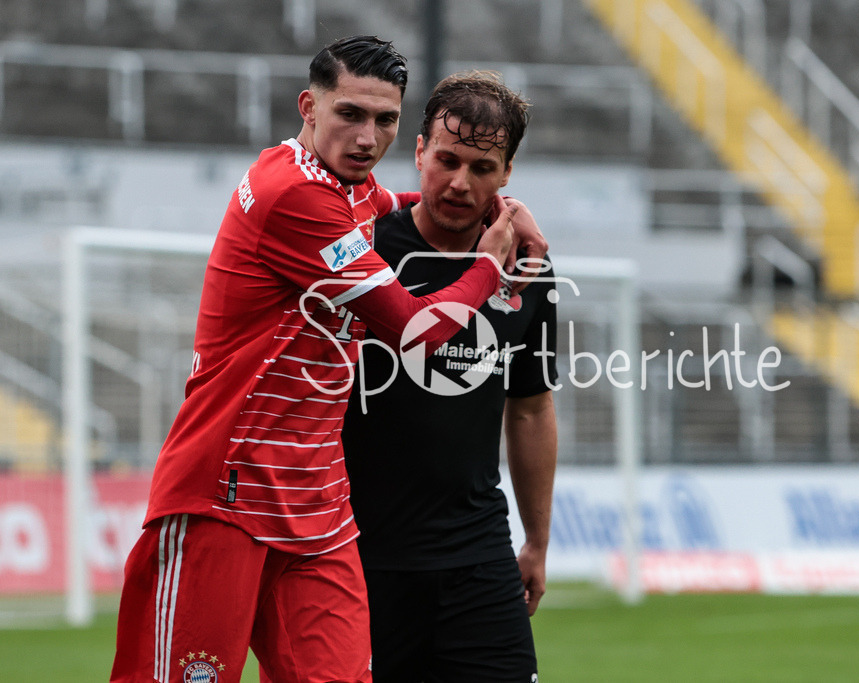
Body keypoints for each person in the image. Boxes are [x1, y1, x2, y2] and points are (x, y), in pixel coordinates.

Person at [110, 37, 547, 683]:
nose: (367, 136)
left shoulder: (350, 189)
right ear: (308, 107)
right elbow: (414, 330)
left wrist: (501, 209)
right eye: (350, 114)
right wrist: (489, 260)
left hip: (317, 503)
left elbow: (392, 203)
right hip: (228, 490)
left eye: (385, 119)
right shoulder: (293, 193)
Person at [342, 71, 557, 682]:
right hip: (359, 556)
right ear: (418, 152)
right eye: (447, 159)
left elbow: (531, 407)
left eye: (483, 168)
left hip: (478, 558)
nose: (461, 182)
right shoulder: (364, 246)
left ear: (507, 173)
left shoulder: (528, 268)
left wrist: (535, 540)